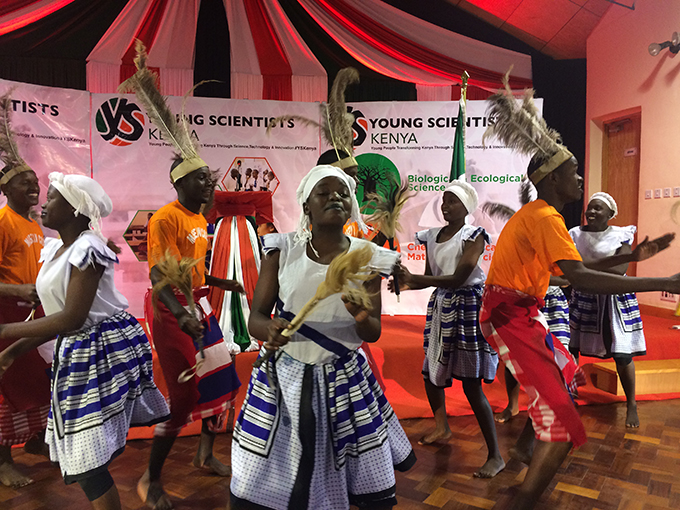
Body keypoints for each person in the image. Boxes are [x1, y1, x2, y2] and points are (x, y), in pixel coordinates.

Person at [481, 82, 679, 509]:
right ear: (553, 179)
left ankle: (521, 451)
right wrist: (660, 283)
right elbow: (583, 280)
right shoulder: (547, 218)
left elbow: (578, 272)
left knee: (567, 375)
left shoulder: (542, 216)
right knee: (564, 423)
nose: (580, 179)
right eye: (573, 172)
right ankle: (522, 500)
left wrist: (629, 257)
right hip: (508, 315)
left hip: (519, 312)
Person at [231, 165, 416, 510]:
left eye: (343, 193)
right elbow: (256, 318)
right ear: (307, 207)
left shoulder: (368, 258)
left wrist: (360, 315)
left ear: (351, 206)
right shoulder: (283, 250)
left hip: (342, 376)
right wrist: (268, 330)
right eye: (324, 193)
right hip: (286, 376)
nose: (335, 198)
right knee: (277, 467)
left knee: (347, 462)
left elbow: (372, 332)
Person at [0, 172, 170, 510]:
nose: (44, 204)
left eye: (53, 199)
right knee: (86, 459)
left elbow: (72, 318)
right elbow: (56, 318)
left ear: (77, 210)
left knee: (88, 462)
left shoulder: (88, 248)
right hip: (79, 349)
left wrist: (5, 331)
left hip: (102, 351)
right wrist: (11, 353)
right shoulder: (55, 251)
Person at [140, 156, 243, 510]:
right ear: (179, 183)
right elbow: (158, 275)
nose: (208, 184)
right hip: (169, 308)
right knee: (183, 397)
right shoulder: (164, 218)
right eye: (200, 178)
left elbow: (193, 272)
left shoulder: (199, 217)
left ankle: (204, 454)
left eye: (208, 178)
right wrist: (181, 312)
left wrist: (219, 282)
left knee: (224, 380)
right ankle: (151, 479)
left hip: (196, 304)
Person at [392, 180, 504, 478]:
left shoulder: (474, 236)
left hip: (468, 306)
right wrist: (407, 280)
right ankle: (442, 427)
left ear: (466, 207)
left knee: (470, 383)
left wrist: (415, 281)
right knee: (431, 372)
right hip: (442, 306)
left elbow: (459, 277)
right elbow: (432, 276)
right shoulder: (431, 236)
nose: (445, 206)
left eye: (452, 201)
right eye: (444, 200)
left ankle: (495, 454)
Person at [569, 192, 648, 428]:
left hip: (615, 298)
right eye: (589, 208)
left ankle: (631, 403)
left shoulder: (621, 235)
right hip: (584, 296)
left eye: (598, 209)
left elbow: (620, 268)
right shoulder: (574, 234)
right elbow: (566, 264)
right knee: (572, 349)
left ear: (610, 215)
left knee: (622, 355)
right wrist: (583, 273)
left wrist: (583, 270)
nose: (591, 212)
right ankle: (570, 396)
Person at [0, 164, 53, 489]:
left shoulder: (32, 222)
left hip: (32, 313)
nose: (34, 188)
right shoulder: (2, 223)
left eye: (35, 182)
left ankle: (35, 440)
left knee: (38, 381)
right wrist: (18, 290)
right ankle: (3, 460)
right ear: (5, 190)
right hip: (6, 316)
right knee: (7, 390)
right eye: (24, 183)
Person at [495, 281, 572, 424]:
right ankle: (512, 405)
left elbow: (566, 279)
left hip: (552, 301)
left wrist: (535, 276)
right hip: (522, 299)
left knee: (557, 356)